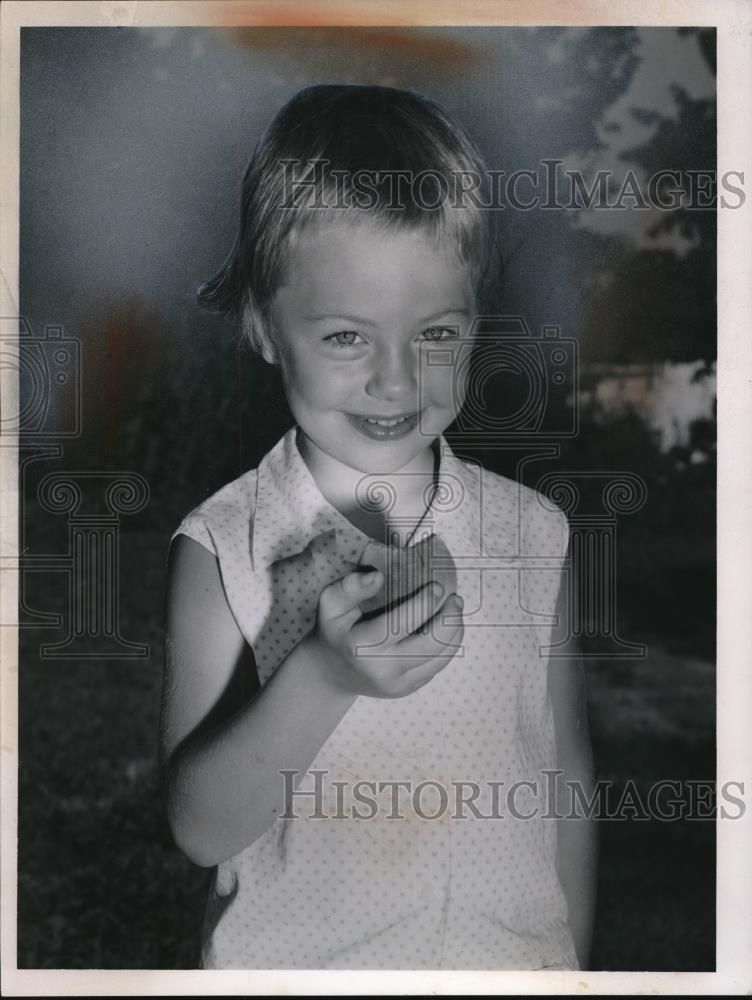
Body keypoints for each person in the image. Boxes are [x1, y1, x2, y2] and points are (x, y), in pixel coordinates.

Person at [160, 83, 597, 971]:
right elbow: (199, 829)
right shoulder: (225, 549)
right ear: (264, 326)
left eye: (435, 334)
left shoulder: (534, 536)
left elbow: (566, 784)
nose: (397, 382)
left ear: (476, 320)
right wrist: (319, 674)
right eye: (348, 338)